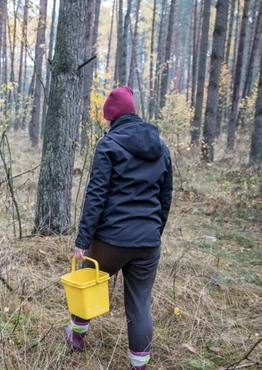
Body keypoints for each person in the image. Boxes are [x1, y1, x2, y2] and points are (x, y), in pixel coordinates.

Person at [65, 86, 173, 370]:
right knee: (139, 305)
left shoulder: (109, 145)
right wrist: (153, 233)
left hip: (110, 241)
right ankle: (138, 365)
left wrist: (82, 240)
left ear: (112, 117)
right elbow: (165, 197)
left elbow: (96, 196)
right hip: (148, 242)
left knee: (86, 281)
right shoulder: (161, 147)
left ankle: (76, 337)